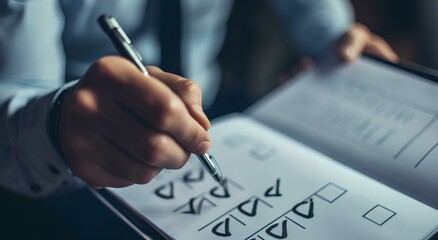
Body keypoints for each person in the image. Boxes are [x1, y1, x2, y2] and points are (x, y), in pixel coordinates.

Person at [0, 0, 397, 197]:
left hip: (218, 107)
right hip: (79, 164)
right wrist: (56, 125)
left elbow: (313, 15)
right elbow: (16, 87)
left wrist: (336, 43)